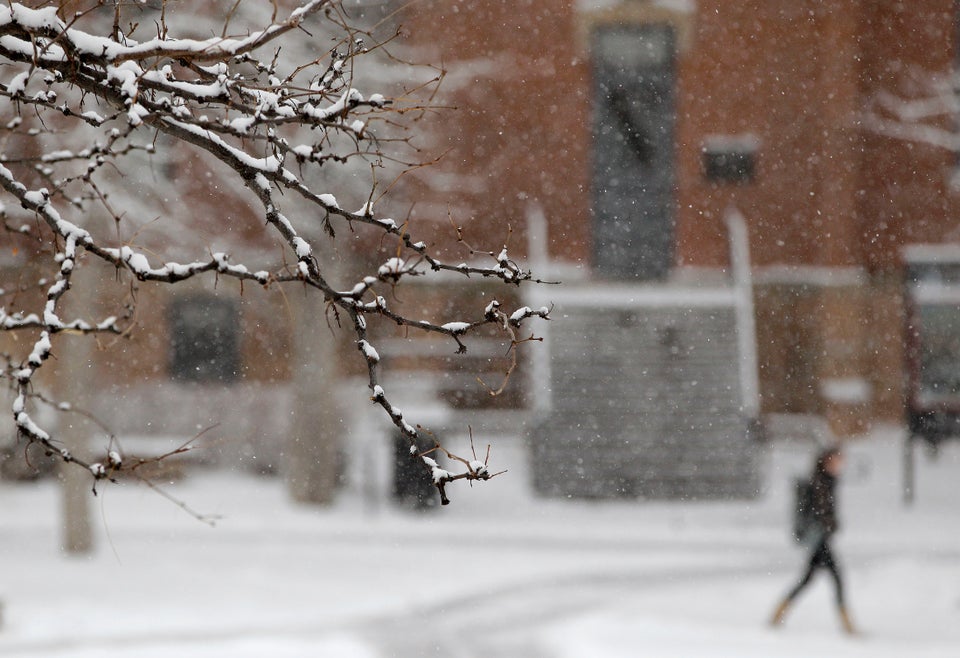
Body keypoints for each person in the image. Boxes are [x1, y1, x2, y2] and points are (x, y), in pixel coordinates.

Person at [770, 446, 856, 634]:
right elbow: (819, 511)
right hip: (818, 537)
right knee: (835, 577)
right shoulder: (820, 483)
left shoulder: (827, 481)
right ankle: (846, 623)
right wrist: (828, 524)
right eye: (836, 461)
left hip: (820, 537)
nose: (839, 465)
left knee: (808, 580)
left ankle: (779, 612)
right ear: (826, 461)